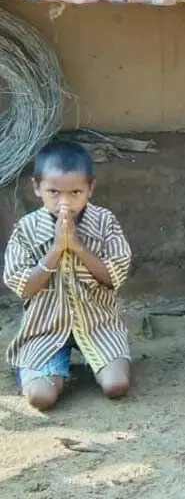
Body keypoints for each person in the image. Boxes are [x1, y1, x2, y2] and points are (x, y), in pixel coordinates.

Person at [3, 141, 132, 410]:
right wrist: (56, 250)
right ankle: (41, 366)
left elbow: (114, 276)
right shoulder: (26, 229)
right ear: (37, 188)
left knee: (116, 386)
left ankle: (100, 358)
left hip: (99, 326)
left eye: (75, 192)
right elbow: (23, 287)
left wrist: (76, 246)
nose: (65, 202)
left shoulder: (104, 221)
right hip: (44, 329)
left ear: (90, 188)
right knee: (41, 397)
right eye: (53, 192)